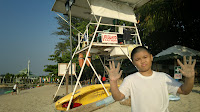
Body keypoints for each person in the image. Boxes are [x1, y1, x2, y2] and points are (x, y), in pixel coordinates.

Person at [105, 46, 196, 112]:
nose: (143, 61)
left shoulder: (163, 77)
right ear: (133, 63)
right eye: (138, 59)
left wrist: (190, 78)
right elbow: (118, 97)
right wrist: (113, 81)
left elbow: (185, 90)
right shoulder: (130, 80)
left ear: (151, 57)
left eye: (145, 57)